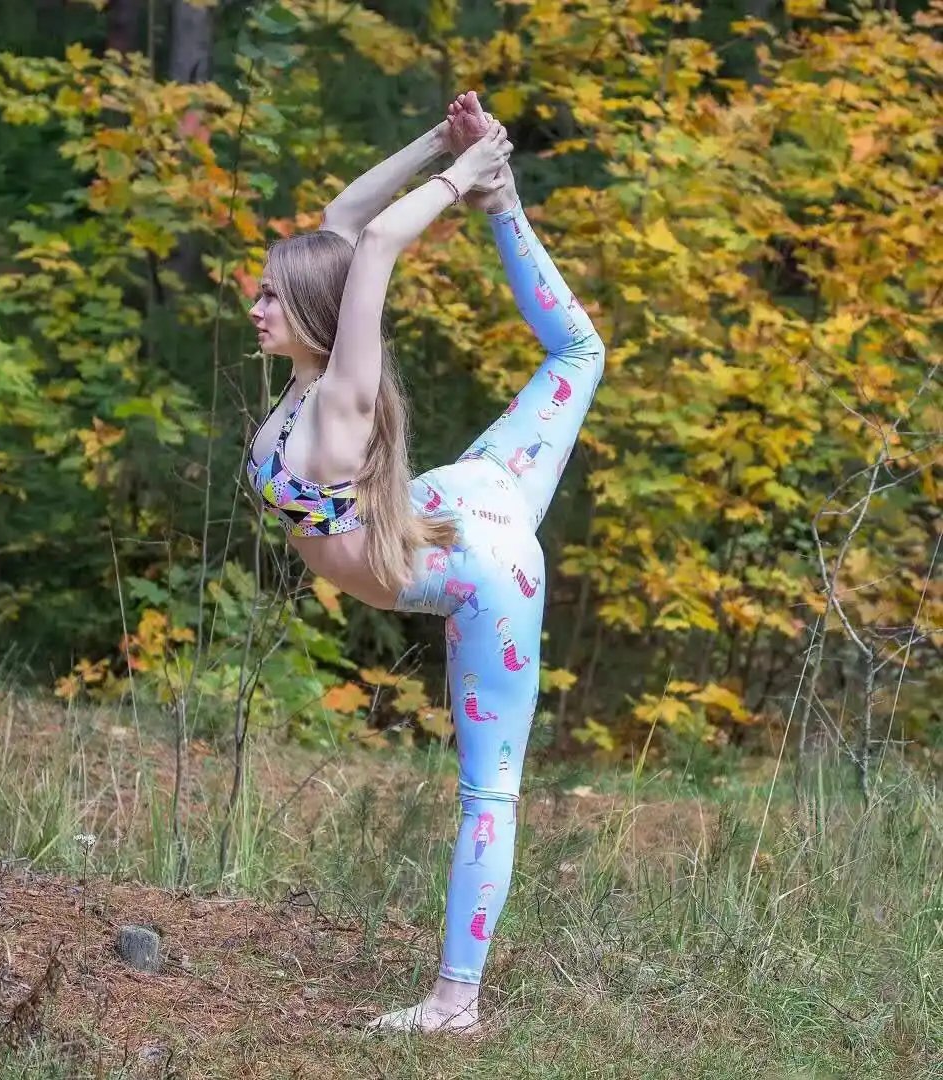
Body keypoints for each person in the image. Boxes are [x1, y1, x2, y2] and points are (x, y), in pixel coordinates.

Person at [246, 91, 605, 1035]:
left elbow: (375, 250)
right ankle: (504, 198)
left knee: (489, 790)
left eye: (271, 296)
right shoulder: (309, 373)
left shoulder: (341, 405)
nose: (256, 305)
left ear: (315, 315)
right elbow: (343, 224)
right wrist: (445, 143)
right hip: (461, 498)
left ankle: (455, 1004)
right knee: (578, 353)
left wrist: (465, 179)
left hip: (487, 571)